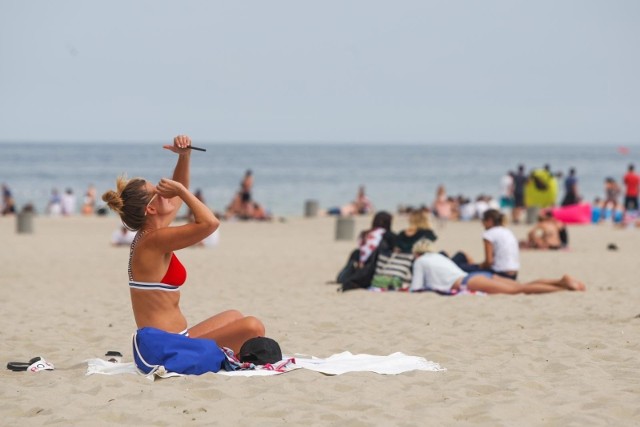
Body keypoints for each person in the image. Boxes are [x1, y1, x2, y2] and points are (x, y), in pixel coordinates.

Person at [101, 135, 264, 353]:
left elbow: (179, 192)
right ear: (150, 209)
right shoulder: (154, 241)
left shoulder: (152, 232)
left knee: (234, 316)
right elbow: (210, 223)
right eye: (158, 192)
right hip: (167, 349)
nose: (165, 192)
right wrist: (182, 191)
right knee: (253, 327)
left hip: (178, 338)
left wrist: (184, 157)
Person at [410, 238, 585, 294]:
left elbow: (415, 288)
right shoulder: (438, 257)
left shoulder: (419, 261)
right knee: (520, 285)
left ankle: (564, 289)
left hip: (467, 282)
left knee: (519, 290)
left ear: (417, 253)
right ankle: (560, 281)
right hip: (480, 275)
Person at [452, 209, 520, 280]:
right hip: (513, 274)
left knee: (458, 265)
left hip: (499, 274)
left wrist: (479, 266)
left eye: (483, 221)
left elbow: (489, 262)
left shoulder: (489, 234)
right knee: (465, 261)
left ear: (489, 220)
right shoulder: (507, 231)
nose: (482, 224)